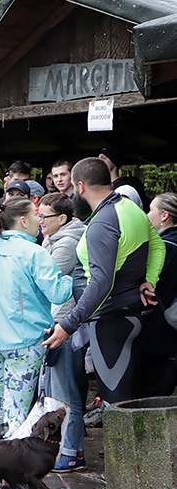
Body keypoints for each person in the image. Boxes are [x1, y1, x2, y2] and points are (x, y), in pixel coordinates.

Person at [44, 157, 164, 404]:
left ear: (80, 186)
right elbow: (158, 245)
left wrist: (68, 325)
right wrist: (149, 280)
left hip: (110, 320)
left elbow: (101, 282)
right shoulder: (130, 208)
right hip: (130, 313)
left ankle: (125, 444)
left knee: (116, 401)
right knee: (128, 398)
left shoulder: (103, 222)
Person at [0, 197, 72, 435]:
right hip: (25, 340)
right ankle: (12, 465)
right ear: (23, 221)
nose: (39, 220)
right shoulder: (34, 253)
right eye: (36, 215)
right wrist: (74, 277)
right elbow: (59, 293)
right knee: (17, 411)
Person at [37, 193, 88, 472]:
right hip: (58, 323)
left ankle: (73, 452)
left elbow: (44, 282)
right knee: (60, 392)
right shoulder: (53, 239)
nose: (40, 220)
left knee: (67, 395)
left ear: (62, 218)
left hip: (64, 326)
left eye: (45, 216)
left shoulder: (67, 243)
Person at [134, 193, 177, 398]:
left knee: (149, 398)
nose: (146, 214)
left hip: (158, 334)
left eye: (151, 209)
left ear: (164, 216)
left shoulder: (164, 249)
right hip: (171, 331)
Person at [100, 146, 149, 211]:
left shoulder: (127, 187)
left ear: (114, 162)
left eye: (104, 158)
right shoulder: (99, 187)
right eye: (98, 158)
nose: (99, 161)